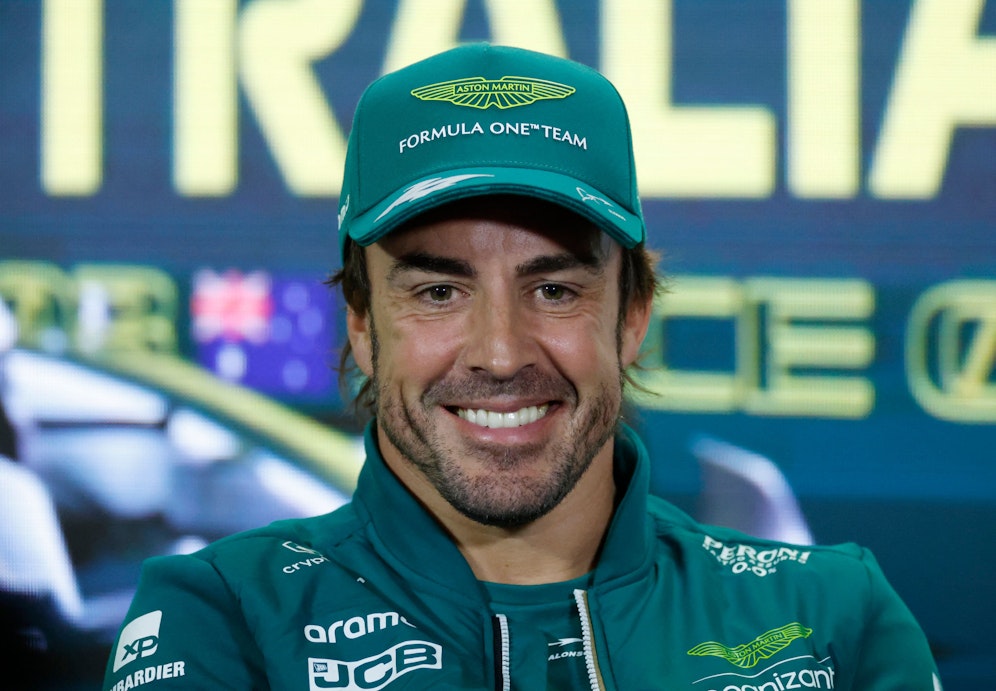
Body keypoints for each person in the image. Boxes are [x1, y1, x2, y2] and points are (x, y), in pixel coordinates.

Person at [103, 43, 940, 690]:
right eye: (437, 291)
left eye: (554, 288)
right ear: (362, 325)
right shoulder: (223, 615)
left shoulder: (831, 617)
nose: (500, 353)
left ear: (632, 317)